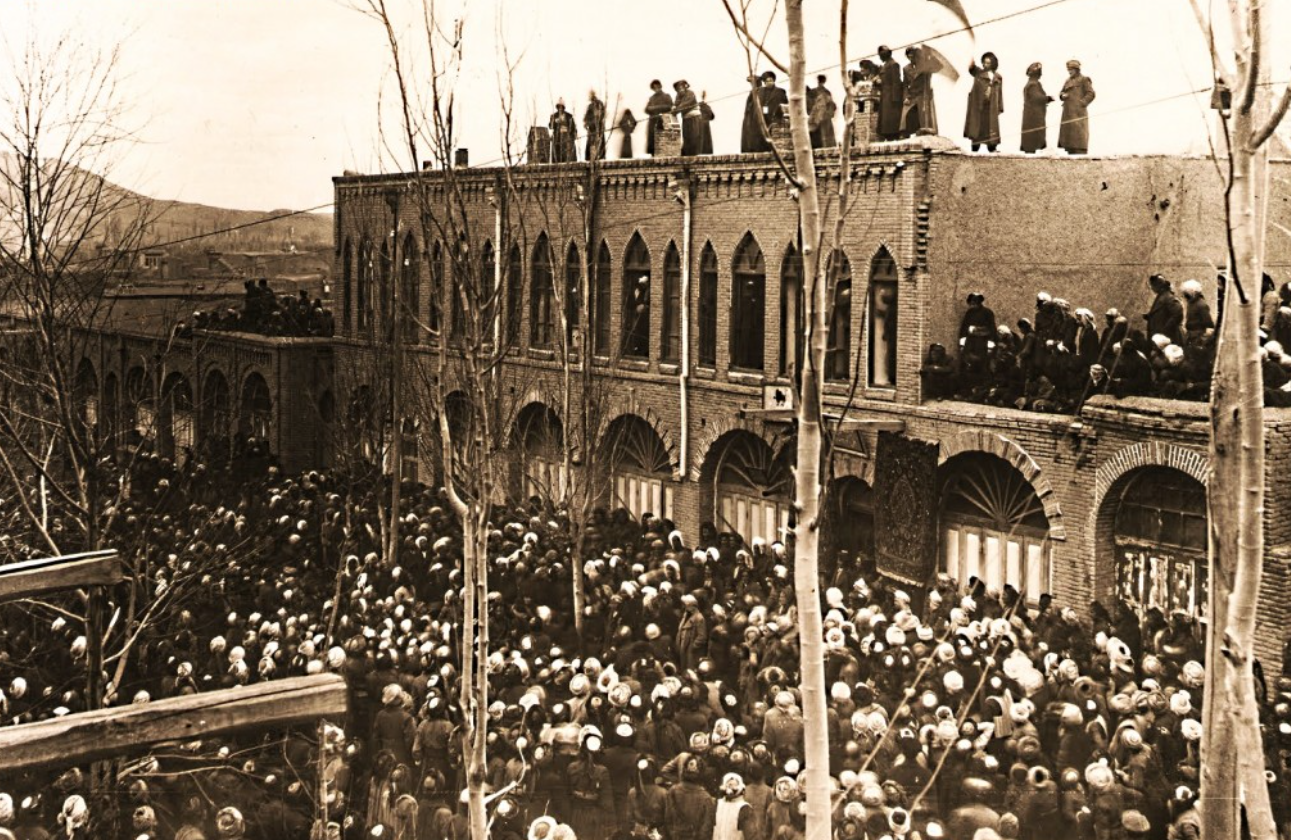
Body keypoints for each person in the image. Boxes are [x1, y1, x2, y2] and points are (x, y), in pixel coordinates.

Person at [965, 52, 1004, 152]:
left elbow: (999, 93)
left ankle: (992, 148)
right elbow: (971, 67)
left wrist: (1000, 106)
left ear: (993, 64)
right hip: (980, 106)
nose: (985, 65)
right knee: (977, 128)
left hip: (991, 106)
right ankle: (975, 149)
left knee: (990, 127)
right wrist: (970, 53)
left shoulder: (998, 77)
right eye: (984, 62)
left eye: (988, 63)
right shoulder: (978, 72)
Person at [1058, 60, 1096, 154]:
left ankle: (1080, 152)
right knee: (1069, 138)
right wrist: (1062, 96)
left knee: (1079, 136)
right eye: (1068, 70)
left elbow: (1091, 93)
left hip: (1078, 113)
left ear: (1077, 69)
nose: (1069, 71)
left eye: (1071, 69)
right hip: (1068, 112)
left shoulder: (1084, 79)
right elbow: (1062, 92)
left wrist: (1081, 103)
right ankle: (1071, 151)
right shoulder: (1068, 80)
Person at [902, 46, 939, 137]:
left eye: (913, 56)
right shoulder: (906, 68)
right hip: (912, 96)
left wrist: (931, 56)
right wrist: (906, 97)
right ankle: (905, 134)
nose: (911, 58)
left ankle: (925, 134)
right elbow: (905, 85)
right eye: (909, 56)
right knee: (905, 118)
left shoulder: (925, 66)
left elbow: (938, 67)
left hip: (924, 95)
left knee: (924, 120)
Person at [1020, 62, 1053, 153]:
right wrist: (1048, 98)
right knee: (1033, 138)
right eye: (1039, 73)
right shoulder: (1033, 84)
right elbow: (1037, 98)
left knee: (1032, 138)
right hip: (1034, 116)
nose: (1040, 75)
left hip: (1032, 115)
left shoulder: (1031, 83)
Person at [1144, 274, 1185, 346]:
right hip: (1162, 336)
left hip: (1167, 337)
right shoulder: (1162, 296)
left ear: (1159, 286)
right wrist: (1150, 316)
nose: (1151, 288)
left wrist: (1166, 329)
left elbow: (1178, 314)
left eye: (1152, 285)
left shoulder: (1168, 297)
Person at [876, 45, 905, 140]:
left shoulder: (893, 64)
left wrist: (895, 99)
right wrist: (878, 82)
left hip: (890, 97)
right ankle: (888, 136)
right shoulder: (886, 65)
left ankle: (892, 136)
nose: (880, 57)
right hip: (885, 95)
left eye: (881, 55)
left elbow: (896, 82)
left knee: (891, 120)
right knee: (886, 120)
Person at [673, 80, 704, 157]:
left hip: (694, 119)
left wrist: (675, 110)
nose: (680, 90)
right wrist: (673, 108)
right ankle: (687, 155)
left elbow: (684, 105)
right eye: (678, 89)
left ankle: (694, 156)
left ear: (685, 87)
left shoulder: (690, 93)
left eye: (681, 87)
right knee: (686, 138)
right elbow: (676, 104)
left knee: (694, 138)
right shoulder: (678, 96)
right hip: (686, 119)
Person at [645, 80, 674, 156]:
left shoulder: (667, 96)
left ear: (660, 86)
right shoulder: (651, 98)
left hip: (663, 121)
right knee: (653, 142)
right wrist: (651, 109)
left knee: (663, 141)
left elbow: (669, 106)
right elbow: (646, 109)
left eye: (657, 87)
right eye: (654, 88)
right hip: (653, 121)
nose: (656, 89)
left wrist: (654, 108)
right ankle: (653, 156)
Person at [808, 75, 837, 148]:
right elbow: (833, 106)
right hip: (824, 118)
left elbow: (810, 106)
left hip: (818, 118)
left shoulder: (814, 92)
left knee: (819, 139)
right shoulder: (827, 92)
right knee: (825, 140)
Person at [741, 74, 766, 153]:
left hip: (757, 119)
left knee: (756, 138)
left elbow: (765, 106)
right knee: (749, 137)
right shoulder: (753, 92)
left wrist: (765, 114)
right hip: (750, 119)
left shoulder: (761, 92)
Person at [584, 90, 606, 162]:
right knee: (592, 145)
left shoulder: (598, 104)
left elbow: (601, 115)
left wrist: (588, 123)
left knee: (598, 144)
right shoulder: (591, 106)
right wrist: (586, 123)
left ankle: (598, 158)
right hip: (592, 129)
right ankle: (592, 158)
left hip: (597, 128)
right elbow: (586, 118)